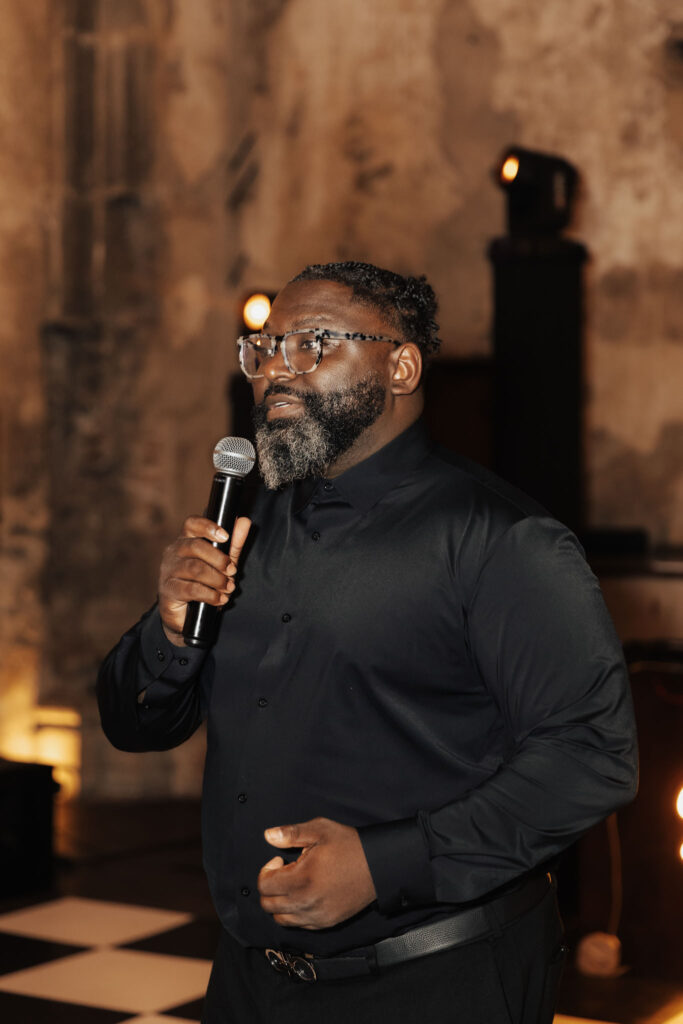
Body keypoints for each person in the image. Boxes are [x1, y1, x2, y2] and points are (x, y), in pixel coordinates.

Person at [97, 261, 638, 1024]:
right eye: (264, 348)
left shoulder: (500, 539)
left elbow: (590, 758)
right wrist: (168, 630)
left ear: (401, 367)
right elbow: (133, 723)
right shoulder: (246, 524)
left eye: (312, 344)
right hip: (250, 978)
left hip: (433, 979)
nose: (275, 370)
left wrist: (385, 865)